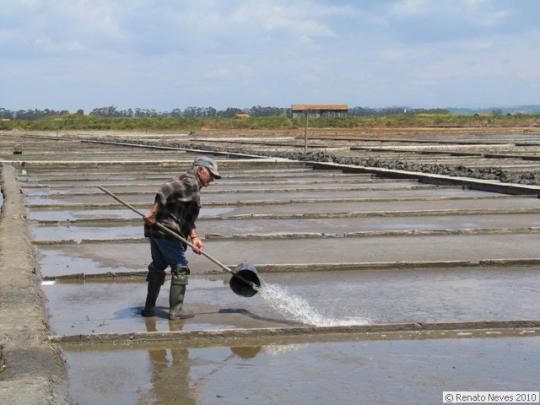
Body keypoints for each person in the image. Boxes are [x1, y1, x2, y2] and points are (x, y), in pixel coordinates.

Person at [142, 156, 221, 319]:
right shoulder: (190, 182)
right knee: (180, 267)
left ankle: (149, 308)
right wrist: (153, 212)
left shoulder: (190, 183)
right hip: (167, 231)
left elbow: (186, 217)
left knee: (159, 265)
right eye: (211, 175)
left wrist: (194, 238)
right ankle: (176, 311)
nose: (212, 179)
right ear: (201, 170)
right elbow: (166, 188)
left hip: (158, 231)